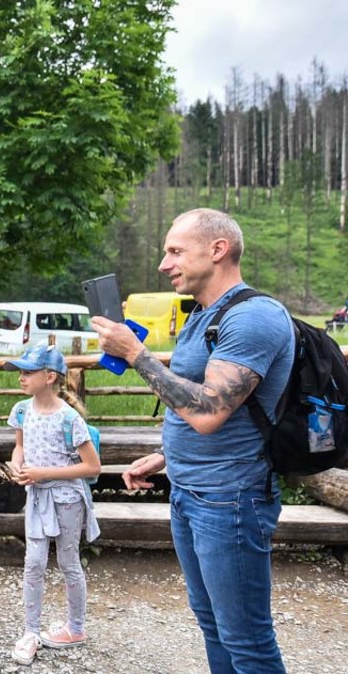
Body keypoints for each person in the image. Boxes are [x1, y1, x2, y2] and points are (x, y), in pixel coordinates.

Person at [94, 208, 293, 674]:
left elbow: (208, 413)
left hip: (231, 500)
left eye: (175, 251)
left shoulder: (254, 318)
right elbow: (207, 404)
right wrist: (166, 456)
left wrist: (136, 354)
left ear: (218, 250)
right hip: (190, 493)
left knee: (247, 639)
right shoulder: (206, 315)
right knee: (212, 624)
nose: (164, 264)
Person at [2, 345, 101, 665]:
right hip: (37, 498)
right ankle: (31, 632)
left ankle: (76, 627)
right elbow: (19, 447)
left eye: (27, 372)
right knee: (33, 562)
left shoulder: (70, 419)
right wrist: (16, 465)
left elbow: (92, 468)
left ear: (49, 377)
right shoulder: (21, 410)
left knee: (69, 562)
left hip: (67, 499)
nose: (21, 377)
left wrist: (44, 473)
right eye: (20, 371)